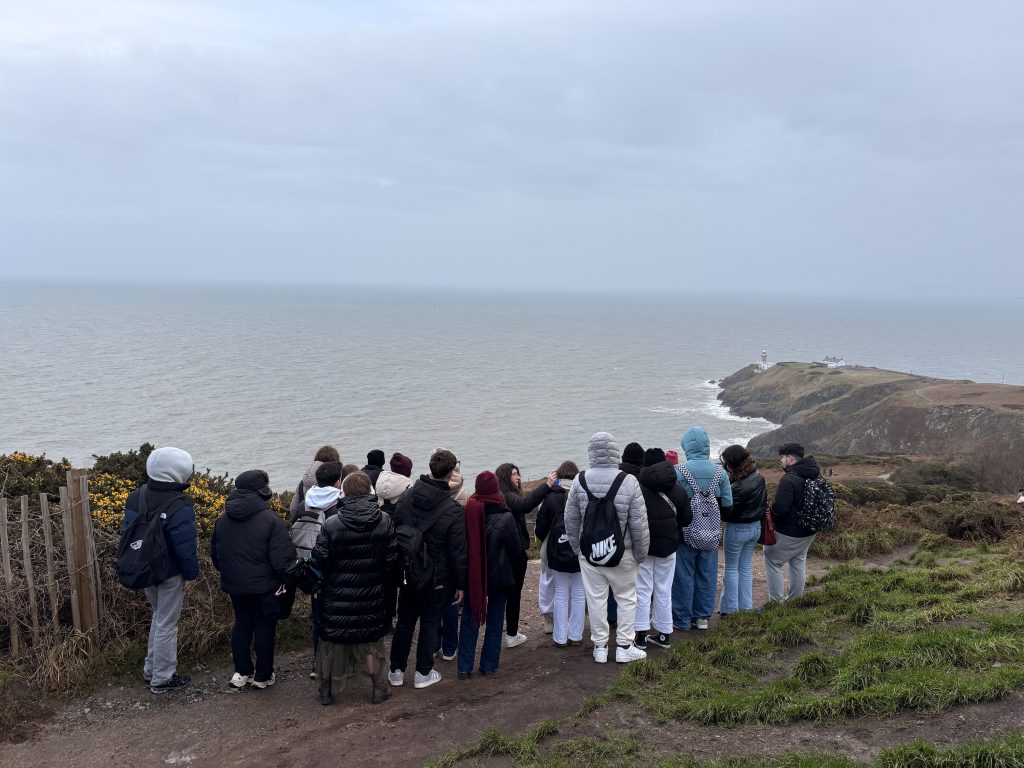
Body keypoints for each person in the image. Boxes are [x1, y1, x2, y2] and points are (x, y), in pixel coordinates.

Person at [310, 472, 400, 705]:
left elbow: (319, 561)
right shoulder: (384, 520)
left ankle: (326, 690)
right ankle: (379, 689)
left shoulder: (331, 523)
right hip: (372, 594)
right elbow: (392, 560)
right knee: (371, 641)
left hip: (337, 595)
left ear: (345, 493)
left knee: (330, 642)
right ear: (369, 491)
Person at [564, 432, 650, 664]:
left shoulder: (579, 480)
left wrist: (578, 550)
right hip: (624, 552)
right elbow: (639, 523)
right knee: (626, 598)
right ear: (615, 451)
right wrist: (640, 554)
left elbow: (570, 520)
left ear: (591, 452)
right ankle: (624, 646)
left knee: (596, 599)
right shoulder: (628, 481)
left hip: (590, 554)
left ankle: (600, 647)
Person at [122, 446, 199, 694]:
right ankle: (163, 678)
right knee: (167, 623)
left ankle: (150, 670)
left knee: (159, 617)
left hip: (144, 568)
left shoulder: (137, 496)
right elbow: (185, 547)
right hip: (169, 573)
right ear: (179, 473)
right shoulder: (180, 504)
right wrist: (191, 574)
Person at [388, 449, 468, 689]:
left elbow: (398, 528)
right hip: (437, 576)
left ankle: (396, 671)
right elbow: (458, 552)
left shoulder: (407, 497)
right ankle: (423, 672)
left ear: (431, 467)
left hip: (409, 570)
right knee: (431, 622)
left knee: (405, 622)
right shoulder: (453, 510)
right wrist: (461, 584)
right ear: (452, 472)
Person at [211, 470, 296, 690]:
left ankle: (241, 673)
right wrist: (290, 582)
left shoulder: (222, 520)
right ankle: (263, 676)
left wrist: (231, 574)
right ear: (262, 492)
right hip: (265, 586)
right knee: (264, 627)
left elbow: (216, 556)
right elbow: (282, 560)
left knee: (242, 625)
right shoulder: (270, 520)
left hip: (235, 585)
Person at [456, 471, 521, 678]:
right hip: (499, 575)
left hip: (473, 576)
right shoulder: (506, 516)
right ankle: (489, 665)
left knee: (469, 618)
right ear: (496, 489)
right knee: (495, 619)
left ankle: (464, 668)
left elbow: (460, 547)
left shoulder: (467, 511)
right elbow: (516, 548)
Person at [672, 426, 732, 632]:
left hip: (686, 533)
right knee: (707, 575)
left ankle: (682, 619)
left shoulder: (679, 471)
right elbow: (728, 505)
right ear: (706, 446)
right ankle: (703, 618)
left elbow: (673, 503)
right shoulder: (720, 473)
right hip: (712, 533)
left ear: (686, 447)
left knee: (684, 575)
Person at [494, 463, 556, 648]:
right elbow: (525, 505)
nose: (518, 477)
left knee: (500, 595)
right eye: (514, 474)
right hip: (514, 552)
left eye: (518, 474)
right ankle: (512, 634)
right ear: (505, 476)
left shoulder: (498, 493)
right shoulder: (507, 494)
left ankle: (499, 633)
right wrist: (547, 485)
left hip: (499, 552)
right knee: (513, 594)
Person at [291, 460, 344, 671]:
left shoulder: (306, 502)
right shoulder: (338, 505)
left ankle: (318, 661)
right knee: (337, 617)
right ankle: (337, 663)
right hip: (335, 570)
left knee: (318, 616)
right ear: (338, 481)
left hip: (312, 569)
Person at [635, 448, 690, 649]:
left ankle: (640, 635)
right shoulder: (677, 489)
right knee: (664, 589)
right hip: (669, 547)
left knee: (642, 589)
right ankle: (664, 634)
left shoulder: (637, 490)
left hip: (644, 547)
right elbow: (687, 519)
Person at [535, 461, 585, 647]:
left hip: (557, 552)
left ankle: (560, 637)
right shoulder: (583, 495)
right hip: (580, 552)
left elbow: (540, 528)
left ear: (560, 476)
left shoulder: (550, 497)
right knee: (579, 594)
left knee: (561, 593)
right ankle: (576, 635)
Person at [764, 442, 819, 603]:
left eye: (782, 458)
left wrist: (771, 520)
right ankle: (795, 600)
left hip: (790, 531)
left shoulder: (789, 479)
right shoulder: (814, 473)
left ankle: (775, 602)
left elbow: (780, 508)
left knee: (772, 560)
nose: (780, 461)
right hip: (809, 530)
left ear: (790, 458)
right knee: (797, 561)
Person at [718, 445, 767, 615]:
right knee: (745, 568)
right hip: (755, 528)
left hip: (738, 529)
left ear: (733, 464)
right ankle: (745, 607)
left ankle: (730, 610)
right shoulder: (758, 476)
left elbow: (726, 513)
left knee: (731, 569)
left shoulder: (736, 487)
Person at [288, 446, 340, 522]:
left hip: (307, 529)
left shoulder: (303, 482)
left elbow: (293, 509)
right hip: (329, 528)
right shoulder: (334, 482)